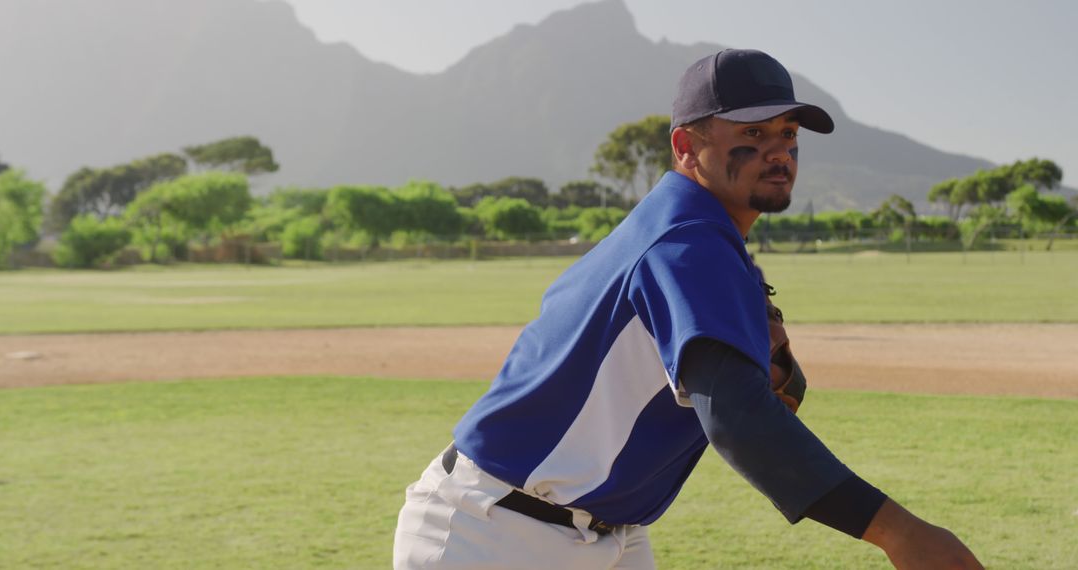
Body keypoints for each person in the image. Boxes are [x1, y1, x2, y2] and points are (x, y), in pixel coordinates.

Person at [393, 49, 982, 570]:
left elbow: (776, 394)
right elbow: (738, 418)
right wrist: (901, 535)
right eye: (751, 136)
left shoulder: (708, 239)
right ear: (686, 147)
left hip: (601, 532)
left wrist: (772, 373)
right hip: (493, 536)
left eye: (788, 134)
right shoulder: (685, 240)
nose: (777, 152)